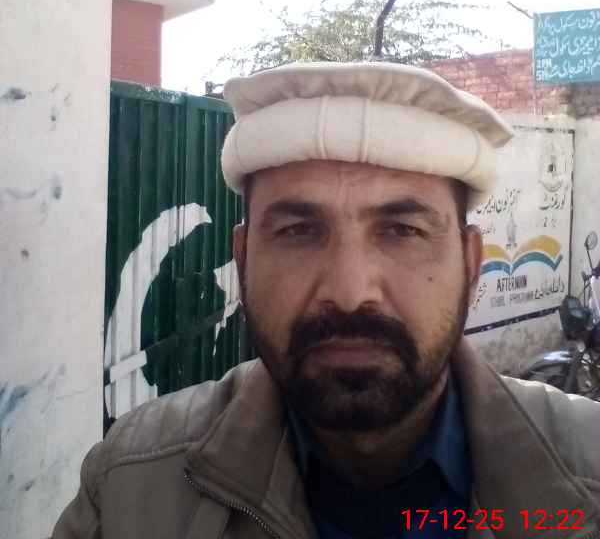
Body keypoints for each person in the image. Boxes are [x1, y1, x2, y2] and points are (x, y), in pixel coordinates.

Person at [53, 62, 600, 539]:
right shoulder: (129, 488)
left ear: (471, 264)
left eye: (403, 231)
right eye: (298, 231)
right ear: (243, 261)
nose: (349, 291)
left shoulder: (587, 465)